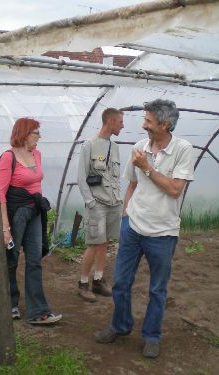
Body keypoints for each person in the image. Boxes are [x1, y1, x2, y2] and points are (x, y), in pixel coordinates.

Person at [94, 99, 194, 359]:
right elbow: (132, 183)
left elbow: (174, 190)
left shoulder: (183, 149)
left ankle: (151, 336)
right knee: (120, 283)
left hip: (163, 233)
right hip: (134, 228)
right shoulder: (140, 147)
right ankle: (120, 325)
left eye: (148, 121)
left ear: (164, 124)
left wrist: (148, 168)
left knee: (157, 289)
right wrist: (126, 215)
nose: (143, 125)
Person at [0, 117, 61, 324]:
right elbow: (1, 194)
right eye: (36, 133)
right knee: (12, 259)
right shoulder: (8, 157)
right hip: (17, 213)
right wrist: (5, 227)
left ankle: (37, 311)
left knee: (34, 260)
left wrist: (40, 207)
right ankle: (9, 303)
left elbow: (37, 186)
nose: (39, 137)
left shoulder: (37, 154)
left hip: (34, 212)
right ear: (24, 134)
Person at [76, 108, 124, 302]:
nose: (123, 125)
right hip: (98, 203)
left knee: (105, 242)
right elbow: (81, 177)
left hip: (113, 202)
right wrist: (91, 202)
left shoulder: (116, 147)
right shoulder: (89, 145)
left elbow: (116, 177)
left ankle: (98, 280)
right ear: (110, 121)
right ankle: (83, 283)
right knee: (94, 243)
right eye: (120, 122)